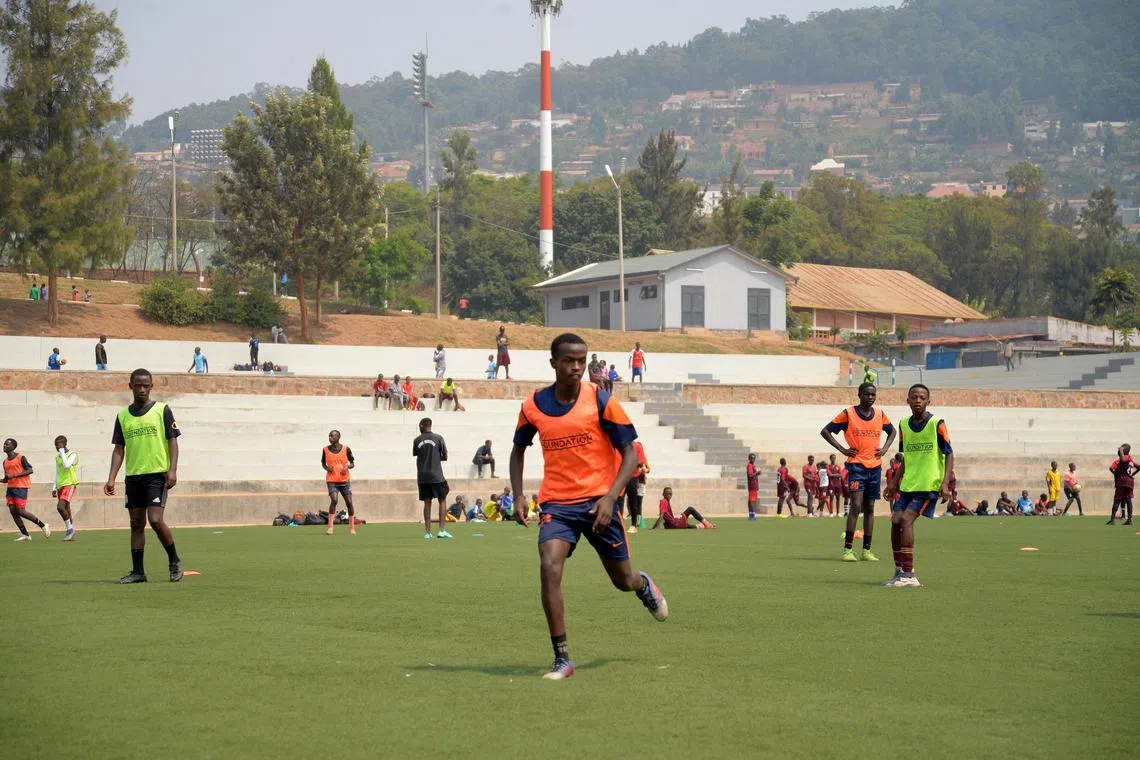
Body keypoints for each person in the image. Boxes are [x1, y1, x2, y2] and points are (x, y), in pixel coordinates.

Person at [510, 332, 668, 680]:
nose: (577, 367)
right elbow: (518, 448)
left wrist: (611, 497)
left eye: (582, 360)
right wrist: (519, 494)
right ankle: (562, 658)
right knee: (549, 566)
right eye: (569, 360)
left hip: (600, 503)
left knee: (622, 580)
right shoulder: (533, 405)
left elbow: (630, 454)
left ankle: (643, 585)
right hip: (557, 503)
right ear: (553, 362)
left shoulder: (600, 400)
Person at [103, 369, 182, 582]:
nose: (142, 389)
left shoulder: (162, 410)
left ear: (152, 386)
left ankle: (174, 560)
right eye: (138, 385)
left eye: (146, 385)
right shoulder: (122, 415)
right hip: (134, 476)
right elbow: (119, 448)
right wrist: (111, 478)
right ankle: (138, 572)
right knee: (136, 523)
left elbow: (173, 441)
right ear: (130, 386)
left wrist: (172, 469)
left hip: (157, 475)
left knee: (155, 520)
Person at [883, 384, 952, 588]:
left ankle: (909, 574)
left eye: (922, 397)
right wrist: (894, 482)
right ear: (908, 401)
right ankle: (899, 571)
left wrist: (945, 482)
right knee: (895, 521)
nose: (918, 400)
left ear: (928, 401)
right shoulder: (904, 424)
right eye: (914, 397)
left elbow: (949, 453)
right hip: (908, 484)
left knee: (905, 520)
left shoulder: (936, 423)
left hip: (928, 484)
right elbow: (907, 458)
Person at [822, 381, 897, 562]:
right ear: (859, 395)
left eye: (873, 395)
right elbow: (826, 431)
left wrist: (885, 449)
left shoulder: (880, 414)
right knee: (856, 505)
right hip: (856, 466)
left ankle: (866, 550)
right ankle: (848, 550)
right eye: (866, 394)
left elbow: (892, 431)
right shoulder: (848, 414)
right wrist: (843, 450)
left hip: (875, 466)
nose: (870, 397)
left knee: (870, 507)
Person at [413, 418, 451, 540]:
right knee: (442, 500)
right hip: (437, 475)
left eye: (420, 426)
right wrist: (436, 458)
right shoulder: (439, 438)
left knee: (427, 502)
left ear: (422, 425)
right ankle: (441, 530)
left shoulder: (417, 440)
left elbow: (417, 454)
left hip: (422, 476)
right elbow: (445, 456)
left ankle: (428, 532)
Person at [4, 439, 50, 541]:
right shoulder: (5, 462)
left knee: (20, 511)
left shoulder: (21, 457)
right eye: (4, 444)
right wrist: (3, 479)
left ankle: (43, 525)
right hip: (10, 489)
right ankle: (25, 534)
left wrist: (14, 475)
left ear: (13, 447)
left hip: (21, 487)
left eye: (7, 444)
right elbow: (7, 478)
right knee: (12, 511)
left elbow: (30, 470)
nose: (4, 445)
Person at [322, 430, 357, 535]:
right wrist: (327, 468)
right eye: (329, 436)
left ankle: (352, 527)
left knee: (349, 503)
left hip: (344, 481)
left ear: (338, 437)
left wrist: (347, 466)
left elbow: (352, 464)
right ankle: (330, 527)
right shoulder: (325, 450)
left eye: (332, 436)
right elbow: (323, 463)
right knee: (334, 500)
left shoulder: (346, 449)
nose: (330, 438)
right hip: (332, 480)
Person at [52, 435, 79, 541]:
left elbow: (67, 465)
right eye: (55, 445)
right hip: (60, 485)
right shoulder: (57, 457)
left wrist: (62, 451)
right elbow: (57, 472)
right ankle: (71, 531)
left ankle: (70, 530)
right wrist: (54, 487)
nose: (57, 447)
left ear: (64, 444)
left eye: (58, 445)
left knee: (60, 507)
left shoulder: (72, 454)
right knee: (66, 509)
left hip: (70, 484)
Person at [1108, 444, 1137, 525]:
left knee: (1117, 500)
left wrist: (1121, 450)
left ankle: (1112, 519)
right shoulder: (1130, 460)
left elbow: (1122, 460)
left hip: (1122, 482)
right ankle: (1129, 520)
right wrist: (1131, 475)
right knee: (1128, 500)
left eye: (1122, 448)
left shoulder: (1125, 458)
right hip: (1130, 482)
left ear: (1125, 450)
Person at [746, 453, 761, 520]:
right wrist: (757, 473)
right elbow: (750, 475)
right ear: (749, 458)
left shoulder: (751, 465)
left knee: (751, 500)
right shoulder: (750, 465)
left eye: (754, 458)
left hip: (752, 484)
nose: (753, 459)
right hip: (752, 485)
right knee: (752, 500)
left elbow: (752, 475)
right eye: (752, 458)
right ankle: (752, 516)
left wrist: (756, 474)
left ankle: (750, 515)